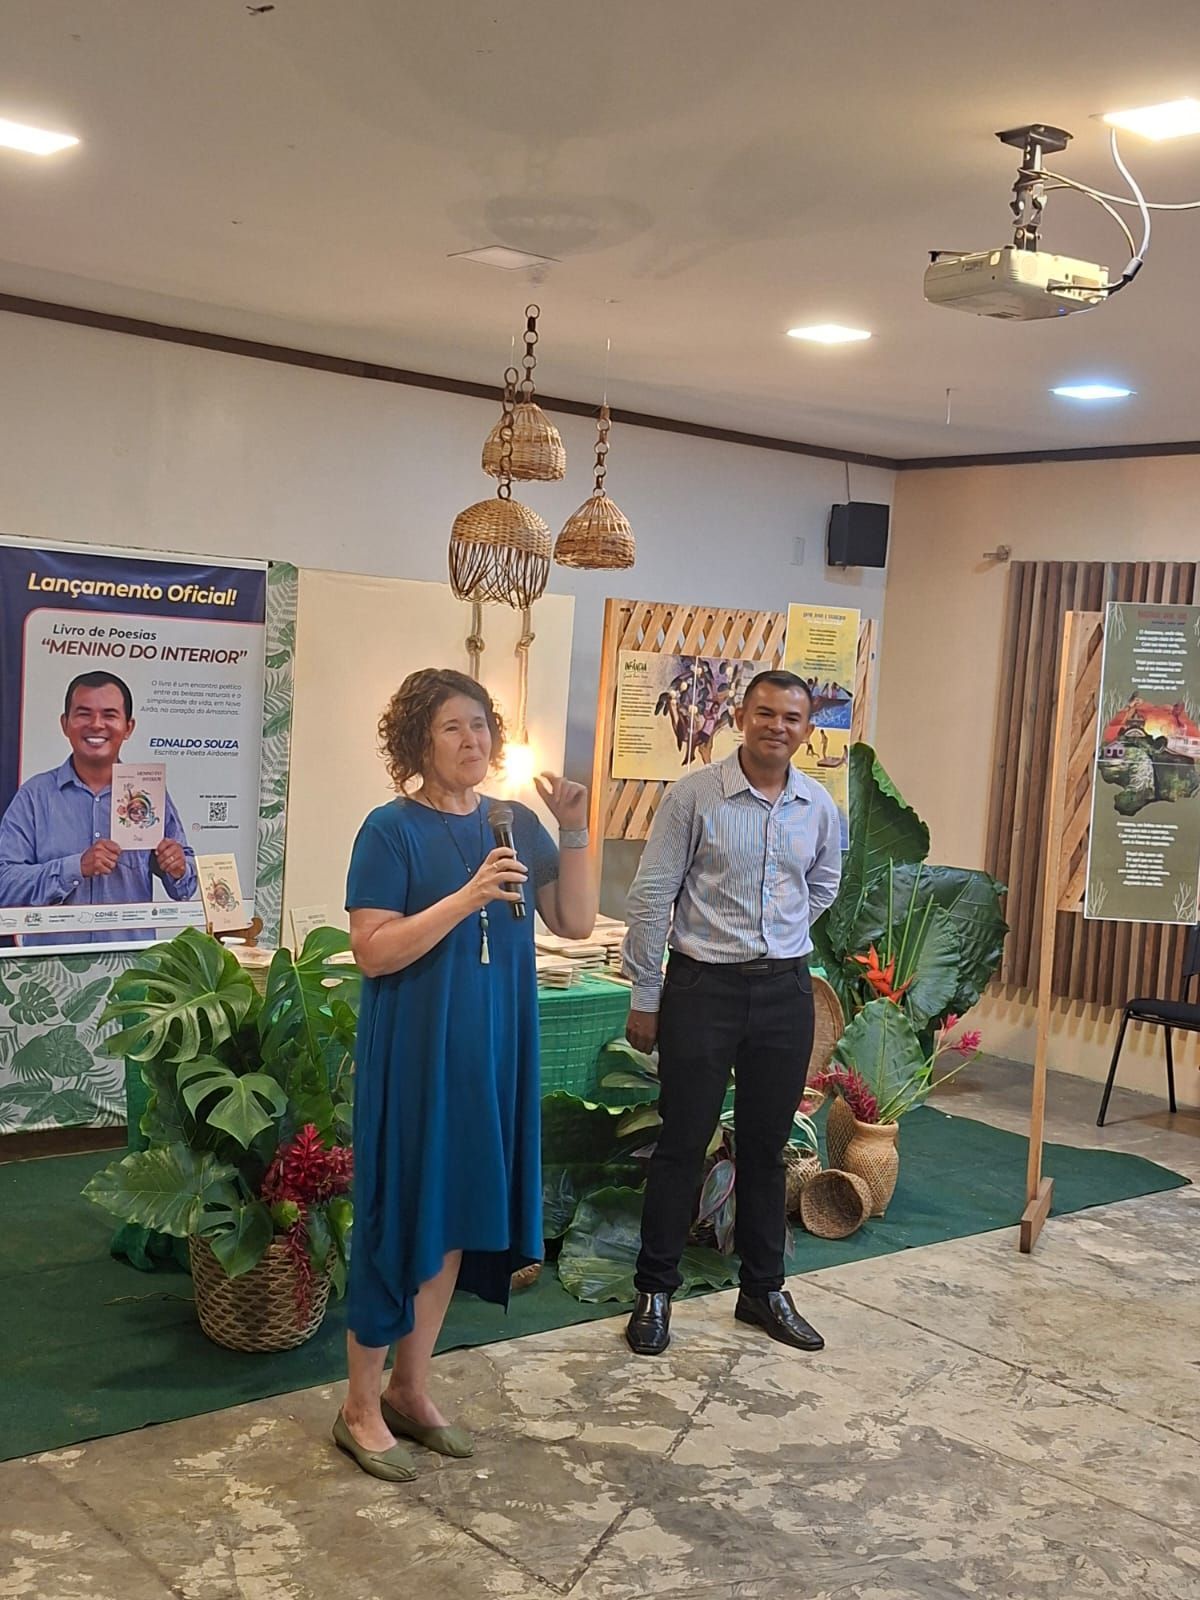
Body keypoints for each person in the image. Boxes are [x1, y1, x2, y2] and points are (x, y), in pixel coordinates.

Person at [335, 667, 597, 1483]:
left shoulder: (513, 823)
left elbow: (575, 921)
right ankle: (358, 1406)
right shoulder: (389, 829)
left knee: (451, 1218)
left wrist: (576, 830)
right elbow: (373, 950)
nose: (472, 739)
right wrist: (468, 895)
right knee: (402, 1214)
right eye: (452, 726)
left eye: (481, 725)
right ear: (417, 740)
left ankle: (410, 1390)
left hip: (491, 1049)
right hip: (416, 1055)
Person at [621, 670, 842, 1357]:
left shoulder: (818, 805)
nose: (778, 726)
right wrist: (646, 993)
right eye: (765, 713)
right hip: (702, 991)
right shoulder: (695, 796)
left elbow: (824, 884)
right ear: (741, 717)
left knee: (766, 1150)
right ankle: (655, 1290)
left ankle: (762, 1291)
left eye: (792, 717)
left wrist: (775, 934)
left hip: (784, 994)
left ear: (807, 729)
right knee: (682, 1144)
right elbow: (652, 895)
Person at [0, 671, 196, 947]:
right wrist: (75, 867)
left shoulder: (150, 794)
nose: (96, 724)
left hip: (130, 965)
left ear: (128, 727)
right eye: (84, 714)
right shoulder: (34, 796)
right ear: (65, 724)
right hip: (52, 967)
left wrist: (176, 867)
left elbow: (186, 887)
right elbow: (5, 885)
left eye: (109, 715)